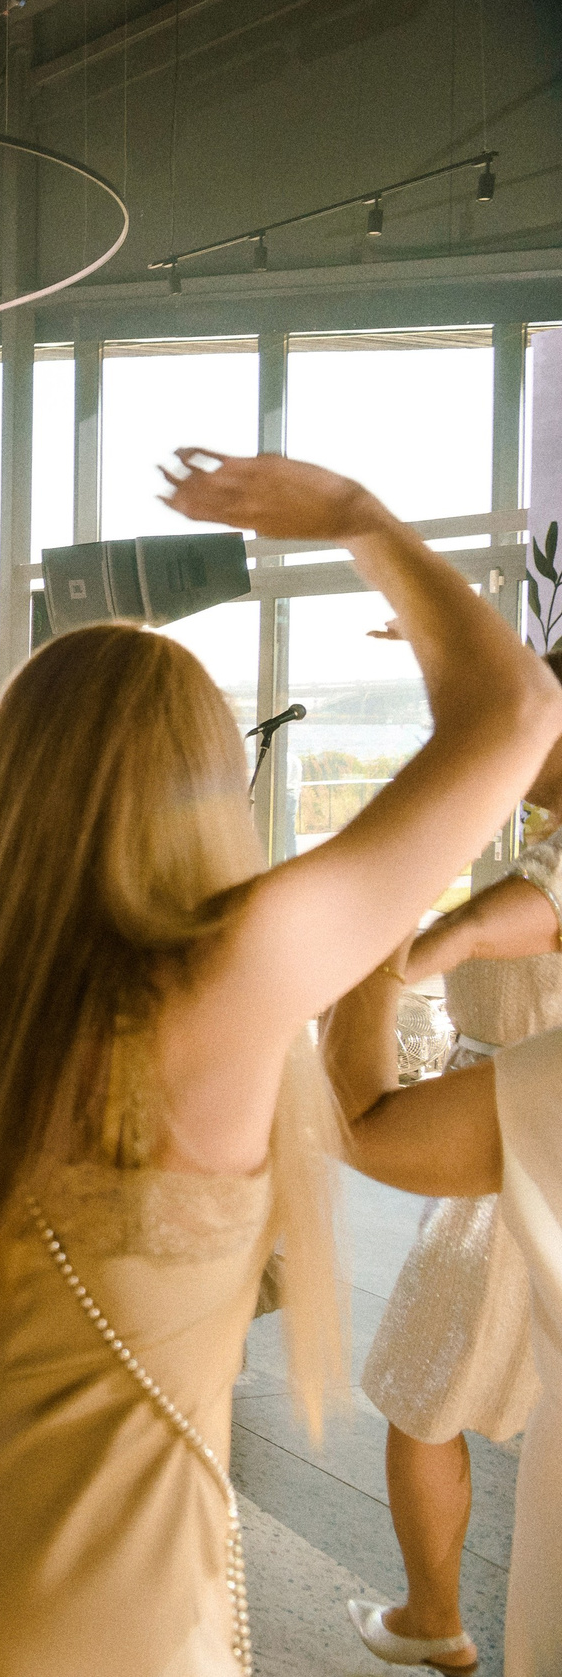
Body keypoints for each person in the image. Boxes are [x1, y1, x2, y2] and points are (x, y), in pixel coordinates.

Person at [0, 448, 561, 1677]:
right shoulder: (217, 986)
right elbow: (516, 717)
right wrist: (354, 515)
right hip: (93, 1581)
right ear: (203, 788)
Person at [342, 693, 562, 1673]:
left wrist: (393, 955)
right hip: (499, 1122)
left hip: (516, 1148)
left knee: (417, 1387)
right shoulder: (538, 825)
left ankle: (434, 1613)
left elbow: (506, 918)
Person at [321, 946, 560, 1677]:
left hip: (515, 1123)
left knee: (420, 1385)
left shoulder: (542, 874)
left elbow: (358, 1120)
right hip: (502, 1106)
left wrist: (395, 939)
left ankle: (434, 1615)